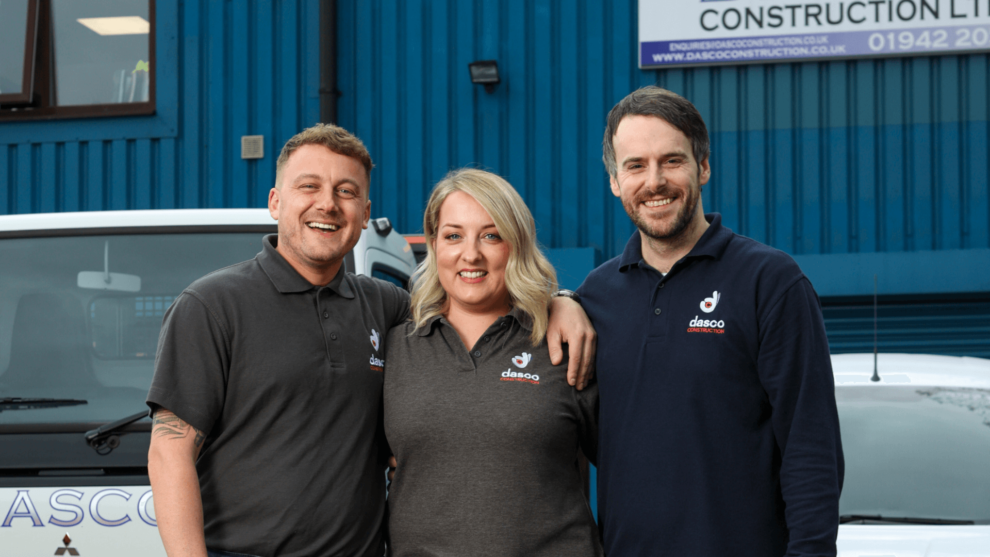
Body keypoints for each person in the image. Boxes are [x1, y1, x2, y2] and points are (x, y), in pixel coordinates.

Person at [145, 124, 596, 557]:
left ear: (364, 214)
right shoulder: (211, 305)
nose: (328, 204)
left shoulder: (388, 309)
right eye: (309, 187)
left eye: (346, 191)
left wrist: (561, 301)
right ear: (275, 201)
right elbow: (169, 452)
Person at [576, 87, 844, 556]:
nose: (654, 181)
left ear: (703, 167)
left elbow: (811, 446)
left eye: (672, 161)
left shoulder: (769, 280)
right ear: (615, 180)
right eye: (635, 165)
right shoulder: (594, 298)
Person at [383, 168, 602, 557]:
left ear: (515, 244)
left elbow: (633, 468)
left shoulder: (562, 343)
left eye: (491, 235)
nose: (471, 254)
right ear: (434, 245)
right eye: (454, 236)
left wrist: (564, 300)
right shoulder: (396, 347)